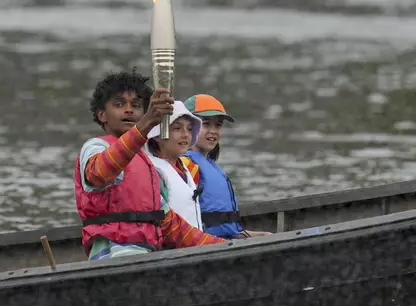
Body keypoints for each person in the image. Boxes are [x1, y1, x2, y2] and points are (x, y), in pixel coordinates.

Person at [75, 72, 226, 260]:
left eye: (136, 106)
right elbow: (99, 173)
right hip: (112, 259)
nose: (129, 110)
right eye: (119, 104)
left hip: (147, 256)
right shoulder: (95, 147)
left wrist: (224, 246)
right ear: (102, 114)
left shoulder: (146, 164)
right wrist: (146, 123)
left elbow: (171, 225)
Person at [181, 94, 272, 239]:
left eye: (218, 125)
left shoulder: (210, 164)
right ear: (186, 127)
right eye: (206, 124)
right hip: (204, 244)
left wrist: (257, 235)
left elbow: (227, 230)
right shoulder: (187, 165)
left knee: (268, 236)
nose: (213, 130)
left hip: (225, 238)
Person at [145, 101, 203, 230]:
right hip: (175, 248)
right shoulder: (154, 172)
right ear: (157, 136)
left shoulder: (185, 168)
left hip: (195, 245)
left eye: (189, 129)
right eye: (177, 128)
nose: (185, 134)